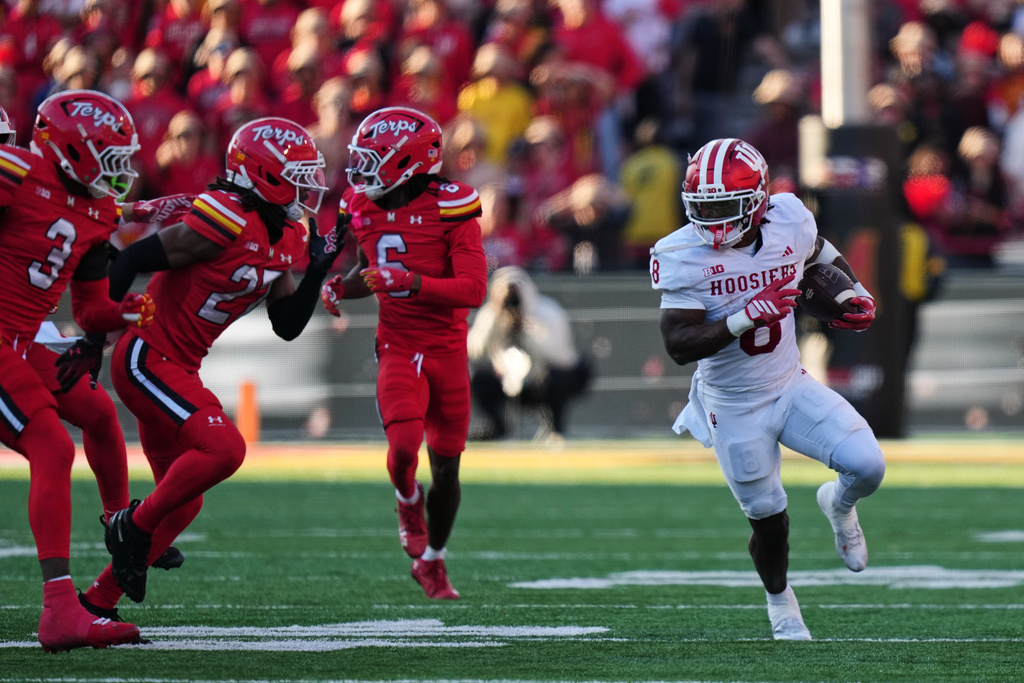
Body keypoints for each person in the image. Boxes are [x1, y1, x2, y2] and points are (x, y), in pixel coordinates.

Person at [73, 117, 341, 616]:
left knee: (185, 501)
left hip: (177, 367)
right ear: (265, 174)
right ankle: (128, 527)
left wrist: (317, 272)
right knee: (224, 448)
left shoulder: (286, 236)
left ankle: (97, 602)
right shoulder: (226, 215)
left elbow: (286, 324)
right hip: (147, 356)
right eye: (298, 174)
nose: (309, 187)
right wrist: (95, 338)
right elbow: (129, 262)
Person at [649, 137, 886, 640]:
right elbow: (678, 345)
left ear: (757, 201)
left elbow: (820, 253)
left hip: (789, 383)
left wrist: (853, 288)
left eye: (723, 206)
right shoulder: (682, 254)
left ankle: (838, 504)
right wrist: (743, 317)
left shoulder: (789, 218)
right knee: (769, 521)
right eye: (703, 207)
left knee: (868, 466)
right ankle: (781, 602)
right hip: (733, 405)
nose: (712, 220)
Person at [0, 90, 154, 651]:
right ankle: (61, 611)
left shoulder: (98, 209)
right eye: (109, 155)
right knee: (51, 446)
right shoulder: (14, 171)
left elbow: (89, 308)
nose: (120, 168)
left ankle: (120, 527)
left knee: (94, 408)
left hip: (22, 340)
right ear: (71, 149)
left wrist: (124, 310)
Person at [320, 106, 486, 600]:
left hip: (449, 349)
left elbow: (473, 289)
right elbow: (369, 273)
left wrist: (410, 282)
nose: (361, 171)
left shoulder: (451, 205)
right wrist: (338, 288)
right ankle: (405, 498)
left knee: (448, 468)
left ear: (409, 163)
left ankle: (433, 560)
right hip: (398, 344)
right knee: (401, 449)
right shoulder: (359, 204)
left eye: (374, 159)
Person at [467, 266, 591, 440]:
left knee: (555, 377)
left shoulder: (547, 311)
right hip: (506, 380)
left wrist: (526, 325)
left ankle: (555, 429)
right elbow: (475, 351)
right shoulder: (490, 315)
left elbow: (559, 355)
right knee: (474, 377)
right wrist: (495, 316)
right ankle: (498, 426)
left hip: (542, 380)